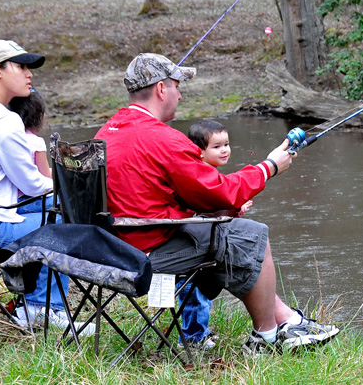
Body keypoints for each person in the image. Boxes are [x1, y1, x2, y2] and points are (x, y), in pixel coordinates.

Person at [96, 53, 339, 354]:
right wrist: (270, 166)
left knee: (228, 234)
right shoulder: (163, 140)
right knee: (252, 235)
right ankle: (266, 337)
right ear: (161, 89)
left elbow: (152, 193)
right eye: (176, 85)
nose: (180, 94)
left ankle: (286, 321)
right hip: (146, 252)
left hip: (112, 245)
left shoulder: (108, 131)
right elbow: (221, 192)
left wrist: (212, 210)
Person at [0, 40, 94, 335]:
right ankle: (40, 309)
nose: (29, 74)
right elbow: (32, 184)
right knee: (65, 219)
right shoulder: (3, 122)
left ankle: (32, 296)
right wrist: (67, 189)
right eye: (21, 66)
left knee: (57, 206)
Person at [178, 120, 253, 350]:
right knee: (194, 295)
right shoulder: (202, 179)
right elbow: (207, 213)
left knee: (197, 295)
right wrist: (235, 209)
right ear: (199, 152)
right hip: (192, 248)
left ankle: (198, 333)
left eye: (227, 144)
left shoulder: (209, 175)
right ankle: (193, 339)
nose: (225, 150)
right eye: (217, 146)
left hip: (198, 243)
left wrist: (234, 208)